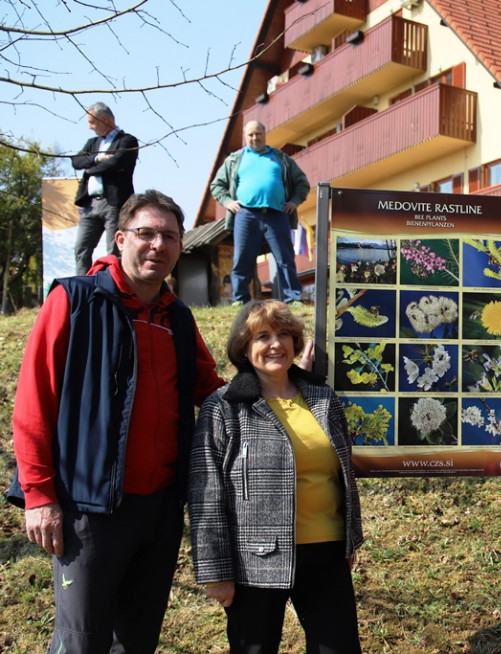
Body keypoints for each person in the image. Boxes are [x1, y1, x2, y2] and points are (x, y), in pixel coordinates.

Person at [7, 189, 226, 653]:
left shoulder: (178, 319)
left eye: (169, 236)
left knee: (136, 641)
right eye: (146, 234)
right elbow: (33, 401)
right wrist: (39, 495)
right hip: (87, 510)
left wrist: (287, 380)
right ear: (120, 238)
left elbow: (214, 391)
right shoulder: (74, 300)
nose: (157, 245)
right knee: (81, 642)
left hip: (161, 512)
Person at [189, 300, 363, 654]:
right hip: (254, 562)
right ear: (244, 346)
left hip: (326, 555)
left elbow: (342, 476)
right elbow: (207, 494)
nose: (275, 344)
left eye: (284, 334)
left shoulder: (322, 398)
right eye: (262, 336)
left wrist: (348, 541)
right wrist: (216, 572)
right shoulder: (223, 407)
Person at [210, 120, 311, 306]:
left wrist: (294, 202)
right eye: (250, 134)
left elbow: (302, 183)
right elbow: (216, 185)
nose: (254, 138)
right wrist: (228, 202)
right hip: (246, 215)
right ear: (245, 137)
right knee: (242, 259)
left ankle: (294, 297)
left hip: (277, 214)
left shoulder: (280, 158)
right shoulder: (235, 159)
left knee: (285, 258)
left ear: (265, 134)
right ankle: (240, 299)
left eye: (258, 134)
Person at [71, 102, 139, 274]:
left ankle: (114, 289)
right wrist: (98, 160)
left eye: (92, 122)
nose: (89, 127)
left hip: (114, 204)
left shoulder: (127, 141)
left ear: (105, 120)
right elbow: (75, 161)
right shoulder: (92, 143)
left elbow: (117, 162)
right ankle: (84, 288)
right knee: (81, 248)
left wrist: (90, 169)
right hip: (90, 205)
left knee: (114, 250)